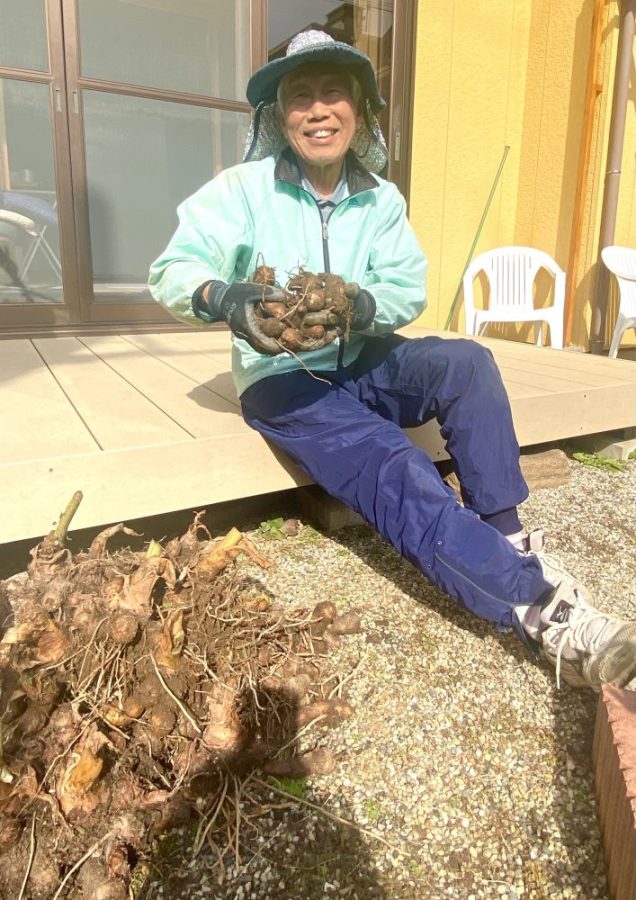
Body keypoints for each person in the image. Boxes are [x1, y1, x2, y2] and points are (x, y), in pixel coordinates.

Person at [149, 30, 636, 692]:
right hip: (283, 378)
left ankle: (507, 539)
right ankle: (543, 613)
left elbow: (407, 284)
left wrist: (362, 304)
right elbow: (174, 269)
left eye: (333, 93)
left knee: (465, 363)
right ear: (279, 116)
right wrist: (223, 297)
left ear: (359, 110)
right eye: (300, 97)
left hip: (362, 354)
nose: (318, 110)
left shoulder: (379, 197)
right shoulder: (240, 190)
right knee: (394, 461)